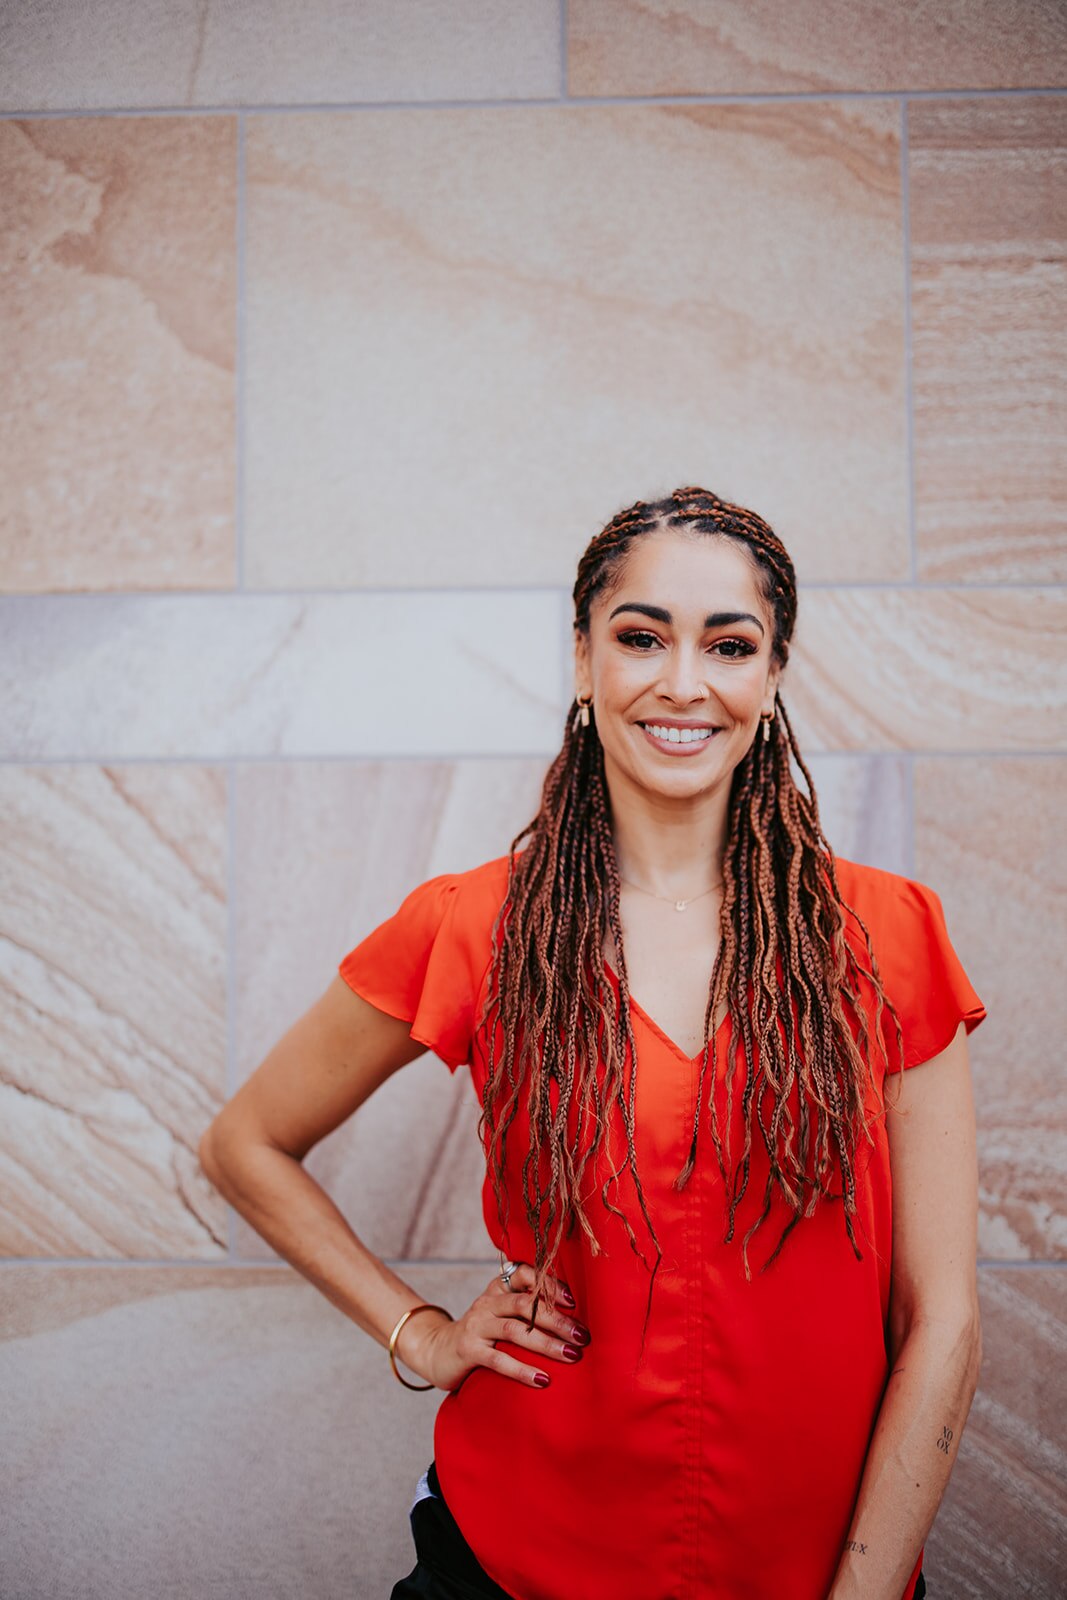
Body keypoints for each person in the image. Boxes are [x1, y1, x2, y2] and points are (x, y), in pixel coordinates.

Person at [198, 487, 986, 1600]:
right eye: (638, 636)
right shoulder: (473, 923)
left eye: (727, 643)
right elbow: (246, 1144)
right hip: (517, 1558)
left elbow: (941, 1321)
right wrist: (417, 1333)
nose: (680, 681)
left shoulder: (888, 934)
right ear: (582, 661)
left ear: (771, 676)